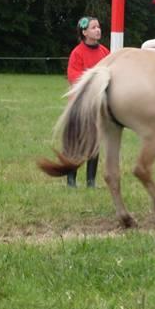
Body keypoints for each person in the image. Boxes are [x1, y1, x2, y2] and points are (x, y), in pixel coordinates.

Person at [66, 16, 110, 188]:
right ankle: (71, 180)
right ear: (84, 32)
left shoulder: (105, 52)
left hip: (98, 104)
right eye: (93, 28)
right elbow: (74, 77)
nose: (98, 30)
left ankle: (91, 182)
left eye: (98, 27)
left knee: (94, 143)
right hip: (80, 104)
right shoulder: (77, 53)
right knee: (77, 143)